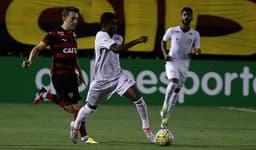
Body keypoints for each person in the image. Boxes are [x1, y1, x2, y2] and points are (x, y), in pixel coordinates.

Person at [69, 12, 155, 144]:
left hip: (118, 78)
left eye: (116, 24)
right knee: (89, 108)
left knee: (139, 99)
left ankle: (148, 131)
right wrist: (137, 41)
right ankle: (75, 126)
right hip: (101, 82)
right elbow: (116, 49)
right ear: (104, 25)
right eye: (113, 24)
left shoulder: (113, 36)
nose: (116, 27)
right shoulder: (101, 35)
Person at [21, 6, 97, 144]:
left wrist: (79, 72)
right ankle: (84, 137)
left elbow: (74, 56)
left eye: (77, 19)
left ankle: (45, 94)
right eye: (72, 18)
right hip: (59, 75)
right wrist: (30, 60)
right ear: (64, 17)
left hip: (71, 75)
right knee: (77, 107)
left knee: (75, 107)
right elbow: (37, 48)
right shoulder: (53, 34)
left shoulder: (73, 36)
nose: (75, 21)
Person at [160, 7, 201, 129]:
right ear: (181, 16)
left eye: (189, 15)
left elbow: (198, 50)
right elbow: (163, 41)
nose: (186, 17)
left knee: (177, 92)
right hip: (172, 61)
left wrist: (195, 53)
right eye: (184, 15)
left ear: (192, 17)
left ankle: (165, 119)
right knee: (173, 83)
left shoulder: (195, 34)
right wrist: (165, 54)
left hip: (184, 64)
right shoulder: (172, 31)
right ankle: (164, 106)